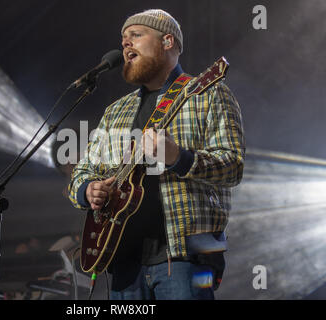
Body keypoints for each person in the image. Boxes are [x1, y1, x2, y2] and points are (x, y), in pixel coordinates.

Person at [68, 9, 245, 300]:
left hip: (184, 260)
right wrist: (89, 189)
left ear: (167, 42)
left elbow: (233, 167)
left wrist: (180, 158)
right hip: (123, 261)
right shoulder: (116, 111)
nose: (126, 44)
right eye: (123, 39)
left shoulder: (208, 93)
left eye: (136, 35)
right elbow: (83, 171)